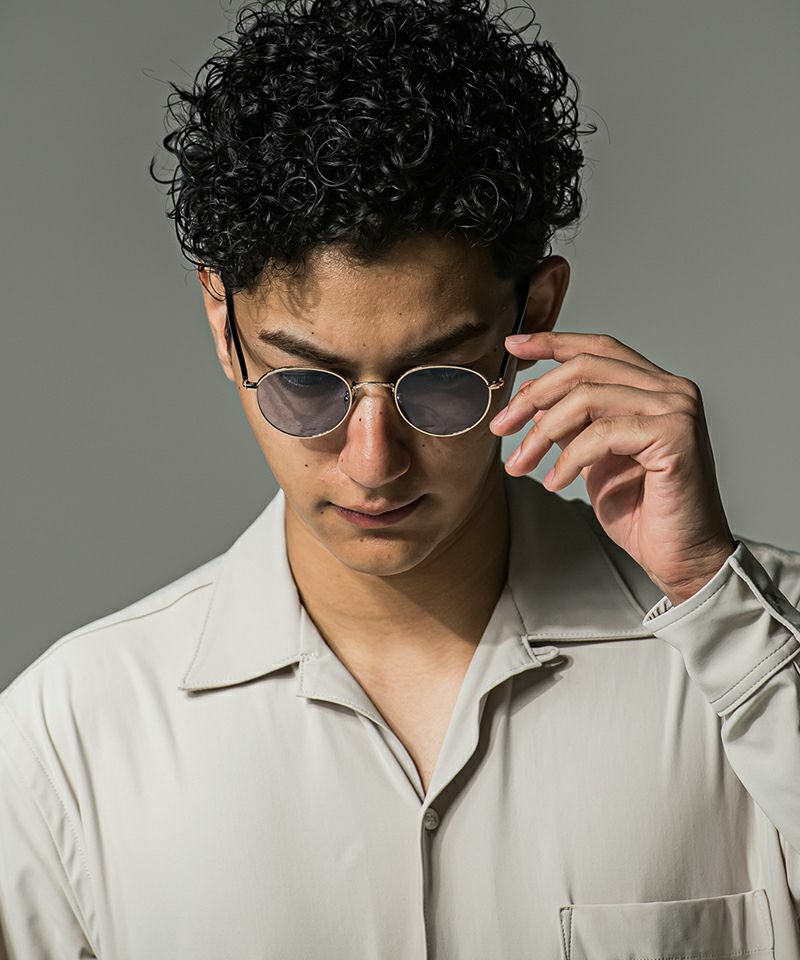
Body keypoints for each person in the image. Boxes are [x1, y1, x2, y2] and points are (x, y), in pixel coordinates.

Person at [1, 0, 799, 956]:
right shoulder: (69, 741)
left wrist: (715, 600)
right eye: (305, 385)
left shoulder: (762, 652)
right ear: (223, 324)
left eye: (440, 382)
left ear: (536, 312)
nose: (374, 462)